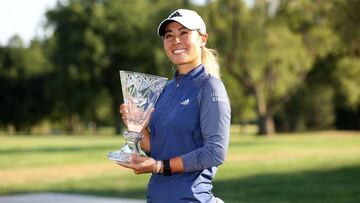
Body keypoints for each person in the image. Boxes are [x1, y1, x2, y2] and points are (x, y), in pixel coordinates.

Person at [117, 8, 231, 203]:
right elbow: (158, 150)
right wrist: (138, 126)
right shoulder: (164, 90)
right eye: (169, 35)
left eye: (184, 33)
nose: (176, 40)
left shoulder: (211, 87)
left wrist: (159, 167)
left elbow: (215, 152)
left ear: (202, 39)